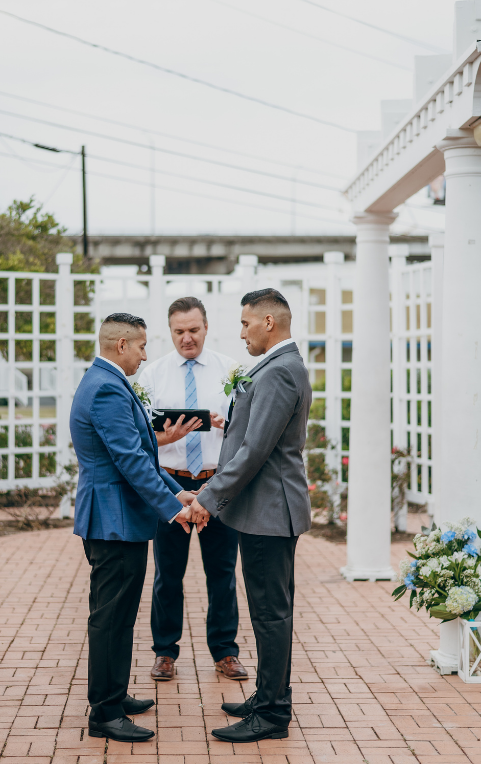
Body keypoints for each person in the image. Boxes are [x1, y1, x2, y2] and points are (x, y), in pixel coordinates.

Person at [188, 288, 312, 744]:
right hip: (264, 510)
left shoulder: (280, 371)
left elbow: (254, 450)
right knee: (268, 611)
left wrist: (208, 496)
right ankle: (268, 696)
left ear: (269, 324)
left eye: (245, 324)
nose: (240, 333)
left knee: (271, 614)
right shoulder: (278, 366)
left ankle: (273, 714)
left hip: (270, 512)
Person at [70, 313, 198, 744]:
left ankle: (115, 694)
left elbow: (141, 455)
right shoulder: (106, 387)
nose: (146, 354)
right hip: (112, 520)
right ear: (121, 344)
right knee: (110, 618)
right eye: (142, 346)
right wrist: (173, 509)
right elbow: (129, 461)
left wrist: (175, 492)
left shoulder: (104, 381)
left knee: (121, 616)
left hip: (117, 518)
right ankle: (104, 712)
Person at [138, 296, 248, 682]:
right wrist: (165, 436)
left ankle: (225, 652)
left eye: (194, 330)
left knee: (222, 572)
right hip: (170, 483)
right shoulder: (152, 375)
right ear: (169, 331)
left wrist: (223, 426)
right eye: (179, 331)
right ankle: (164, 652)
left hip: (218, 483)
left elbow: (248, 431)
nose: (187, 338)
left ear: (206, 327)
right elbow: (140, 438)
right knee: (168, 573)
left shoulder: (230, 371)